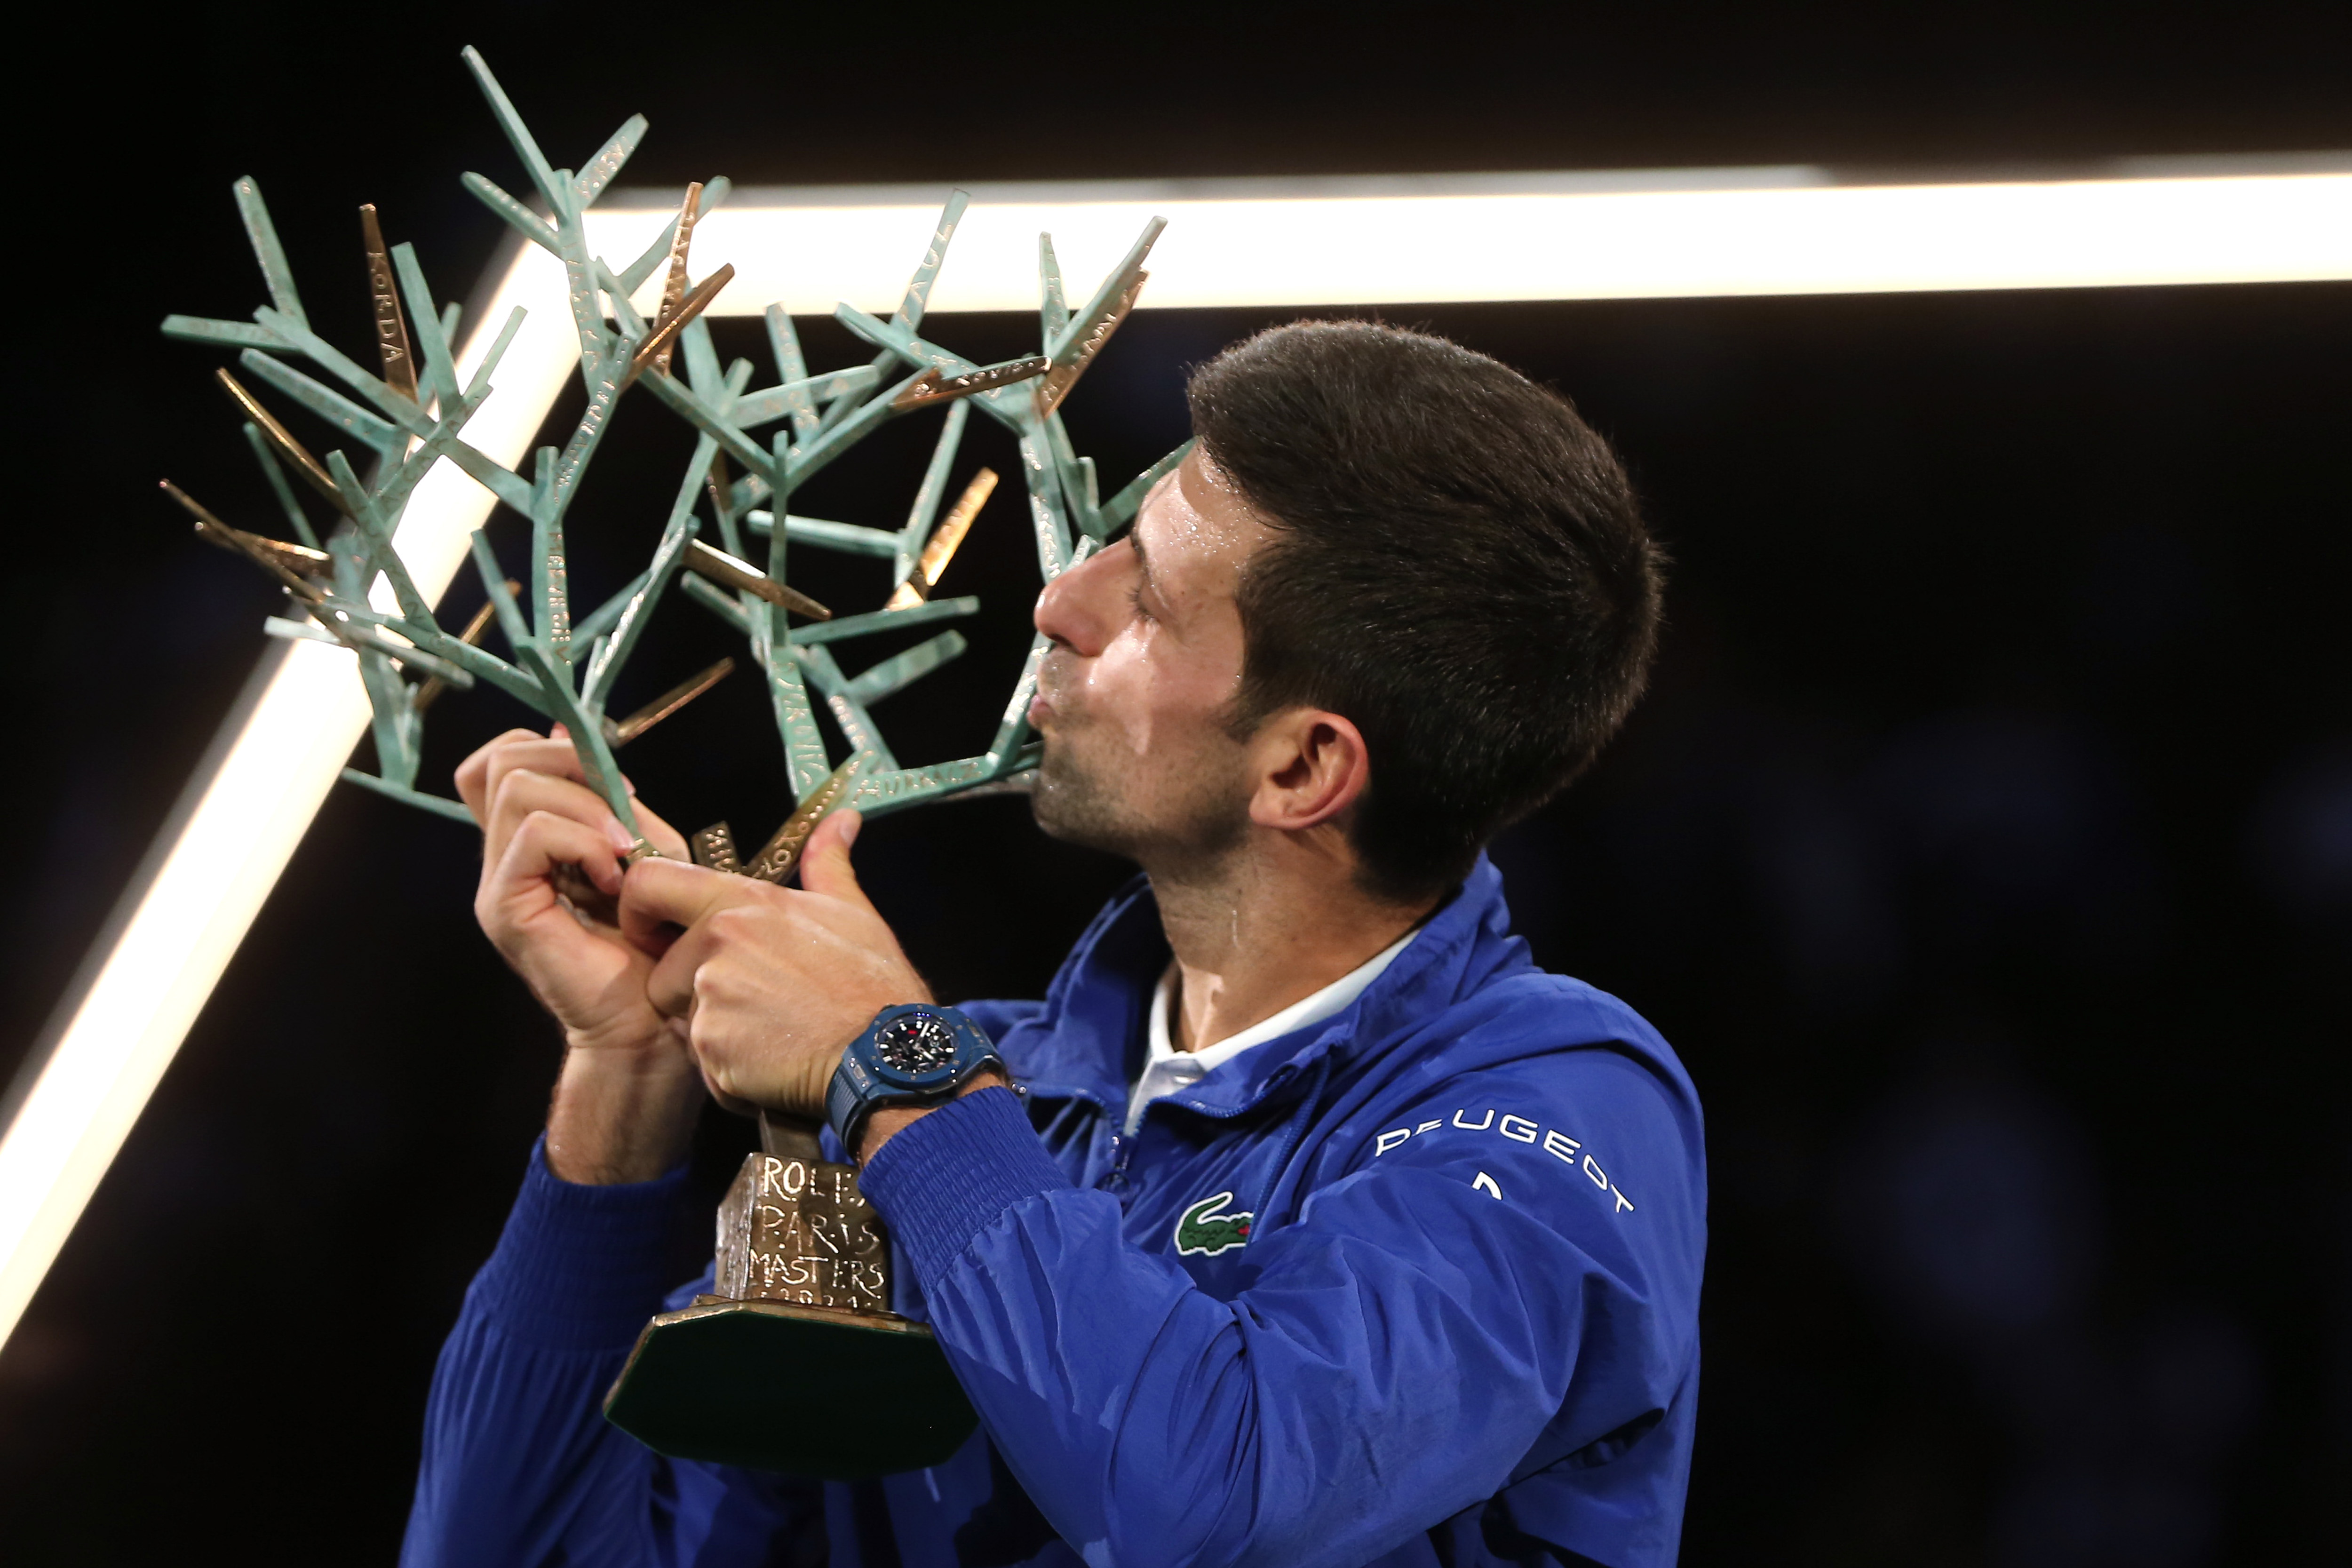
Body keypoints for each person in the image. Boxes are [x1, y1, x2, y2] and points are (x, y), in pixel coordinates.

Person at [402, 321, 1703, 1568]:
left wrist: (891, 1062)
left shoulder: (1552, 1107)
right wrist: (623, 1085)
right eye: (1109, 543)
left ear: (1304, 765)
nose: (1059, 602)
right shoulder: (975, 1101)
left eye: (1148, 603)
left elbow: (1216, 1502)